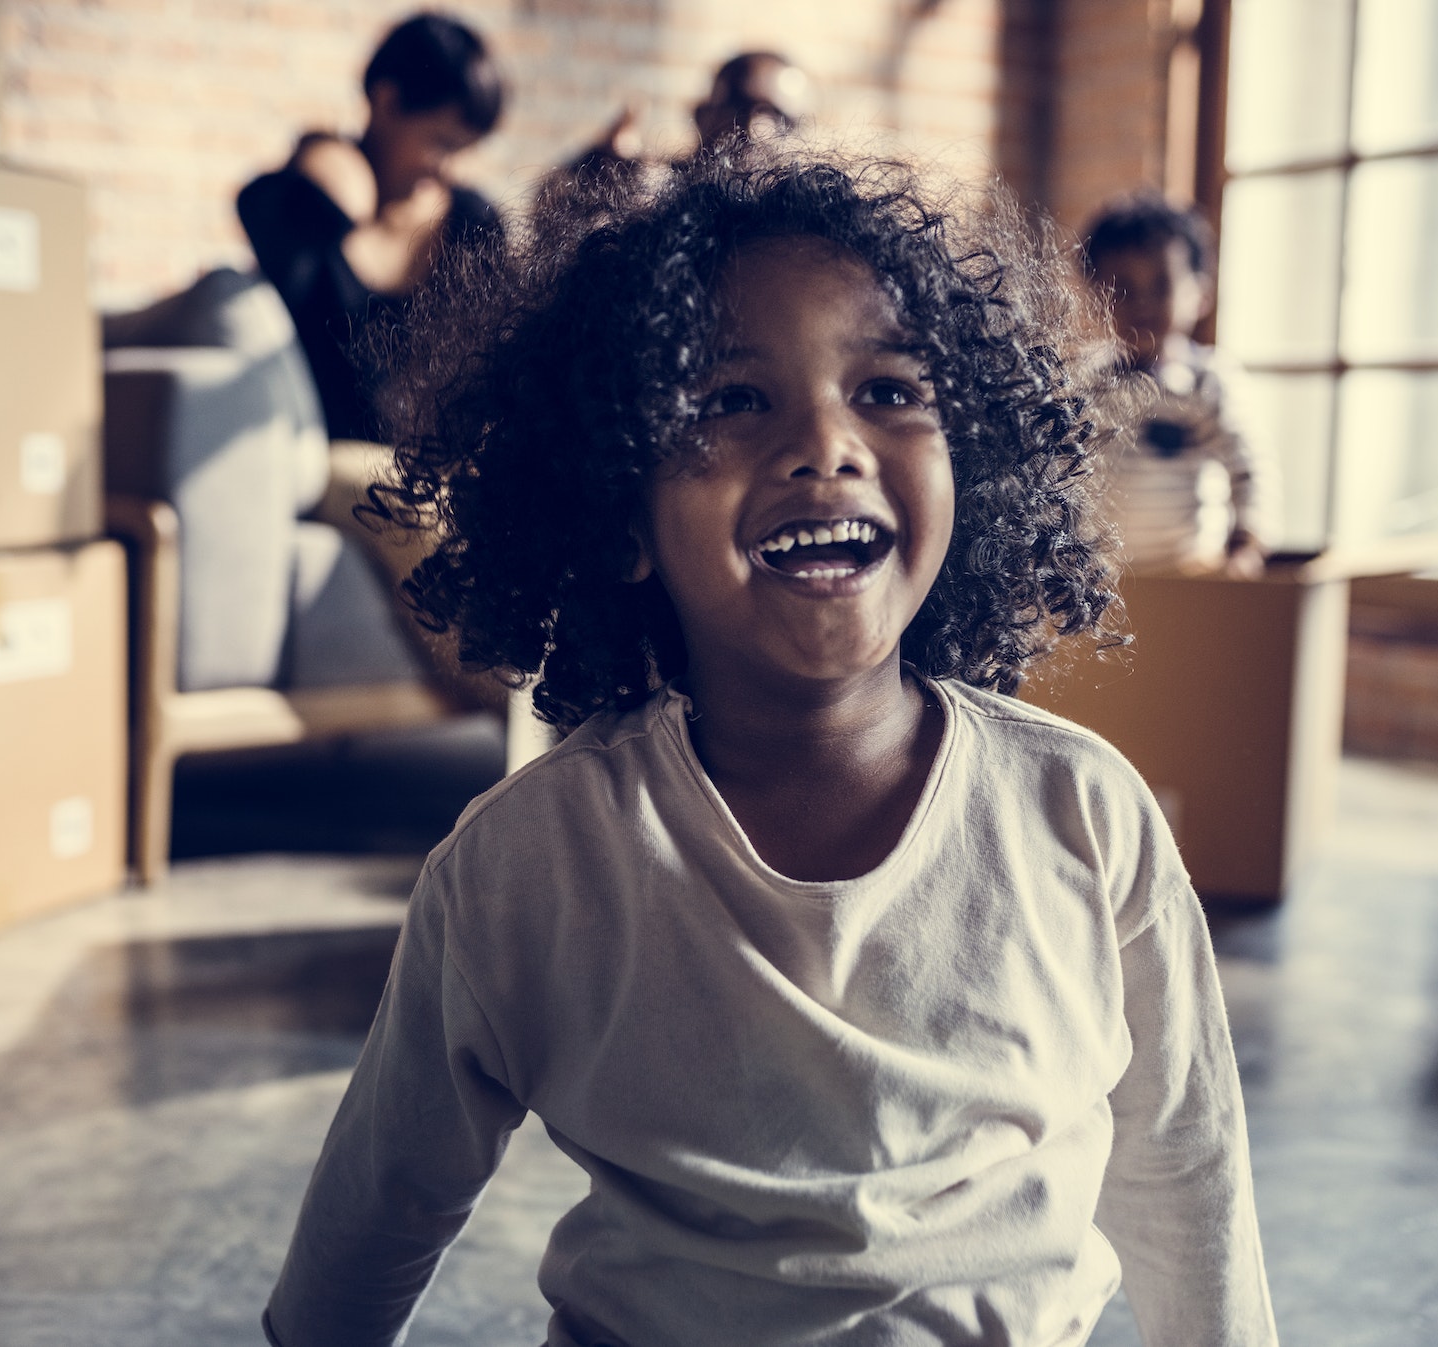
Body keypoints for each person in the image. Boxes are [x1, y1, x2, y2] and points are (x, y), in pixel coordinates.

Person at [263, 150, 1278, 1347]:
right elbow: (380, 1206)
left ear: (977, 467)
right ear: (616, 511)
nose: (825, 445)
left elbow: (1181, 1169)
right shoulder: (525, 865)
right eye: (730, 400)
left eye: (890, 389)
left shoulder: (1081, 813)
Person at [238, 11, 505, 442]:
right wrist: (325, 161)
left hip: (432, 469)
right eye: (441, 143)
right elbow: (258, 210)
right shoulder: (306, 212)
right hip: (327, 463)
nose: (450, 169)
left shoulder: (474, 224)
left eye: (464, 148)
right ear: (386, 102)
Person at [1084, 195, 1268, 578]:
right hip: (1103, 582)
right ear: (1095, 296)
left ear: (1201, 295)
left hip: (1190, 576)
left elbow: (1248, 470)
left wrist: (1245, 546)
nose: (1142, 303)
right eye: (1122, 289)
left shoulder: (1206, 382)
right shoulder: (1084, 383)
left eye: (1161, 285)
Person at [564, 50, 814, 179]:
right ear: (701, 115)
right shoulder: (653, 191)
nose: (754, 129)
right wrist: (599, 172)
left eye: (778, 118)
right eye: (738, 107)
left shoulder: (810, 230)